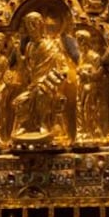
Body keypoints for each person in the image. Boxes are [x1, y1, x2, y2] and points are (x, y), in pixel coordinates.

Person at [10, 11, 75, 145]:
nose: (31, 28)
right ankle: (25, 126)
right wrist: (18, 56)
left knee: (41, 93)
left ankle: (43, 124)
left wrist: (54, 78)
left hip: (49, 85)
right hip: (34, 85)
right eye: (28, 25)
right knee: (19, 101)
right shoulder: (29, 47)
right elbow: (27, 70)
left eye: (34, 24)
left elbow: (62, 67)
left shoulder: (52, 45)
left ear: (41, 25)